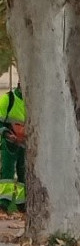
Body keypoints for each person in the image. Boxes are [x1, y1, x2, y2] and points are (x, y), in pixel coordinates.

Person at [0, 83, 26, 213]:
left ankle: (22, 203)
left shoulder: (34, 102)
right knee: (7, 173)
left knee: (24, 174)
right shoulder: (8, 99)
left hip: (26, 143)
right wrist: (5, 132)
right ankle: (4, 203)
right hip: (8, 142)